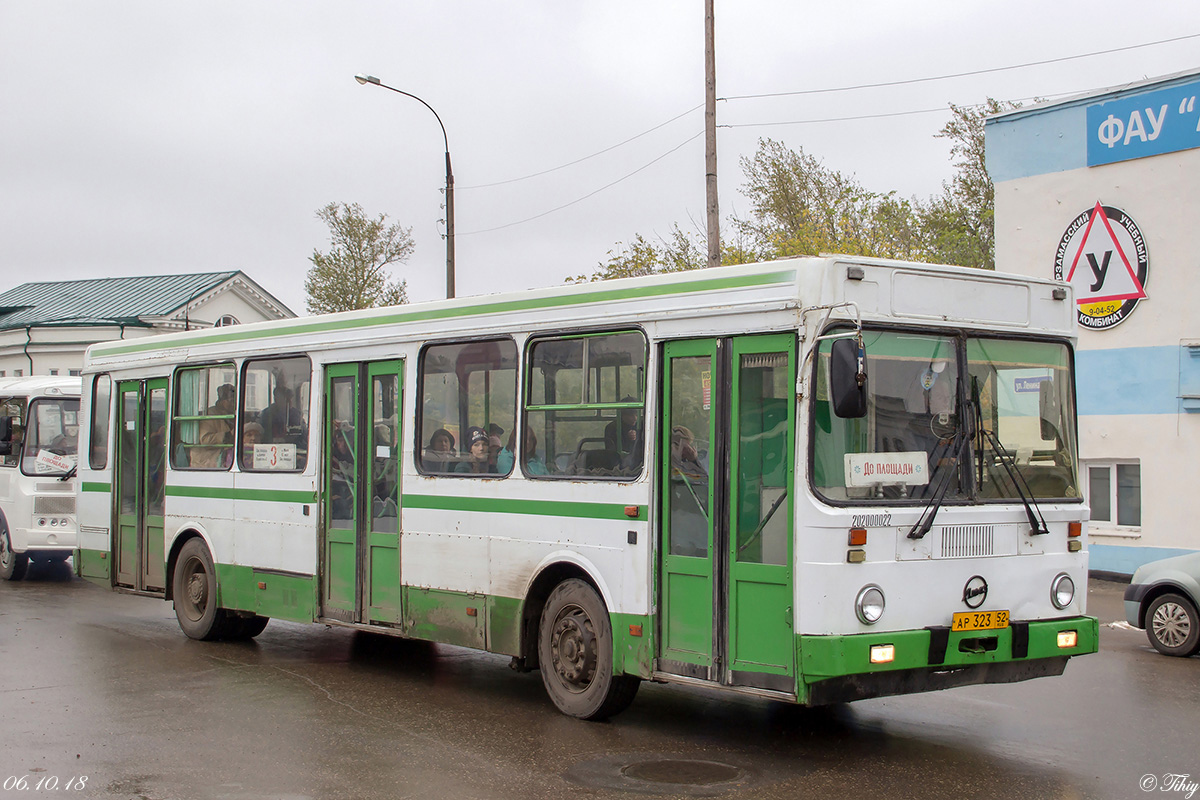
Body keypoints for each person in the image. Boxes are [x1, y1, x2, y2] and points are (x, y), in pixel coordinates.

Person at [192, 384, 236, 468]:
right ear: (222, 400)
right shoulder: (210, 414)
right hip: (207, 461)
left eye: (235, 401)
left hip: (226, 459)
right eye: (231, 400)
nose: (233, 404)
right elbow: (205, 439)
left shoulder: (233, 415)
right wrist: (228, 435)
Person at [604, 400, 643, 470]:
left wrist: (638, 437)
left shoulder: (641, 425)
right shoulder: (612, 427)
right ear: (622, 415)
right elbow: (610, 451)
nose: (635, 418)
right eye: (631, 415)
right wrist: (625, 437)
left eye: (636, 415)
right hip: (618, 463)